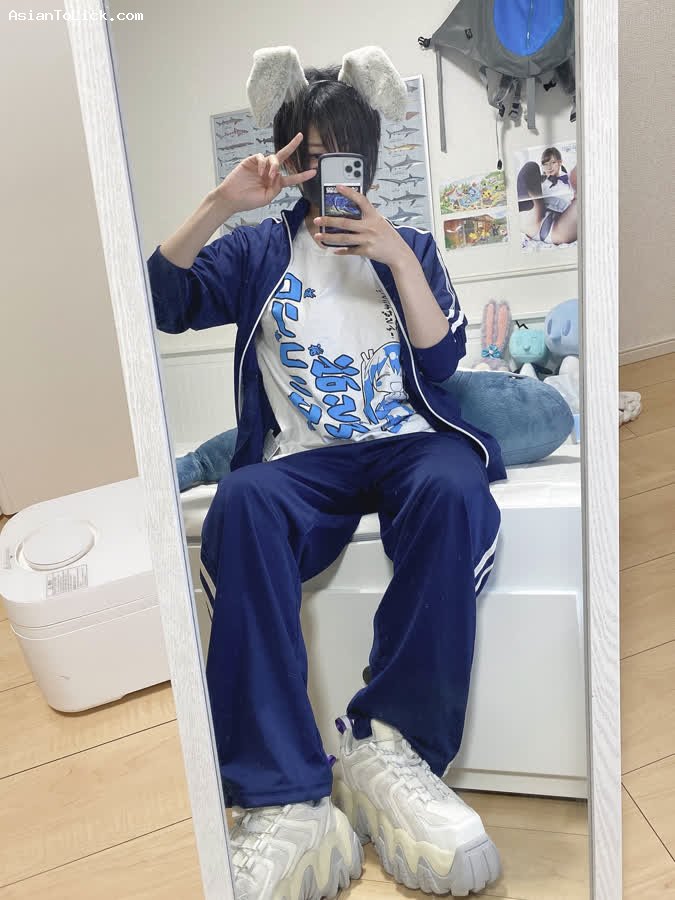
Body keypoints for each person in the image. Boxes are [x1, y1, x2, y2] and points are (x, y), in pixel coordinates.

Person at [147, 45, 505, 900]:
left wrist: (397, 255)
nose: (324, 174)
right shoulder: (256, 251)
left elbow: (442, 359)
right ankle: (282, 797)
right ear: (287, 159)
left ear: (367, 158)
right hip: (304, 461)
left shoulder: (408, 244)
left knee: (454, 483)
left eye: (341, 155)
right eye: (308, 156)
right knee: (239, 501)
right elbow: (163, 299)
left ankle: (390, 745)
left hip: (406, 445)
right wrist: (221, 203)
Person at [517, 146, 578, 245]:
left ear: (560, 162)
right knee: (530, 166)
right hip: (536, 220)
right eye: (545, 164)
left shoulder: (569, 179)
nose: (549, 167)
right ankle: (520, 206)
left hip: (559, 227)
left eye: (553, 163)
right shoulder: (540, 182)